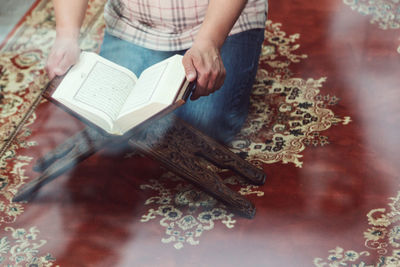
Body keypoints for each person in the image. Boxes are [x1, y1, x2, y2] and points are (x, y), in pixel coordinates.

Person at [46, 0, 268, 144]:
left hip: (219, 21)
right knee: (109, 122)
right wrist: (66, 35)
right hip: (135, 24)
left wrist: (210, 42)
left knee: (201, 130)